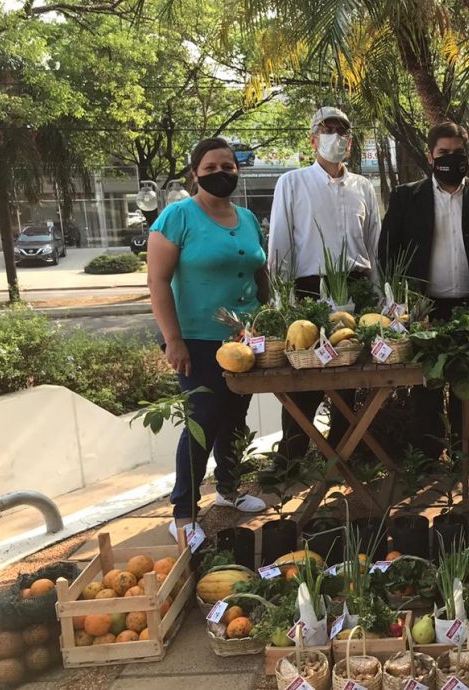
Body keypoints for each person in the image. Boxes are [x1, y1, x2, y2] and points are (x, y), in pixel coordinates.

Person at [147, 137, 269, 541]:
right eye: (211, 168)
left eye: (228, 167)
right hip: (196, 340)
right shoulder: (177, 216)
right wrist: (173, 340)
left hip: (244, 338)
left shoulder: (246, 218)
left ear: (238, 170)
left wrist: (270, 318)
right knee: (202, 420)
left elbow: (259, 272)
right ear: (195, 173)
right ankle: (183, 512)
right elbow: (158, 282)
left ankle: (229, 491)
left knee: (234, 416)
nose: (221, 174)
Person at [379, 121, 469, 457]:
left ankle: (462, 451)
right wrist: (399, 303)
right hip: (424, 309)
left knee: (465, 384)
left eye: (457, 152)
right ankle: (428, 455)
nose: (450, 158)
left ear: (466, 155)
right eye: (443, 152)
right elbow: (387, 252)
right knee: (425, 383)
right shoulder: (406, 197)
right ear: (431, 156)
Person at [268, 106, 382, 468]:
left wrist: (379, 295)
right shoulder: (292, 183)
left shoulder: (363, 187)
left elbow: (374, 244)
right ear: (313, 139)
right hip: (310, 289)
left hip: (356, 287)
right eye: (328, 130)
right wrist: (282, 299)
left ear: (350, 142)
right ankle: (291, 460)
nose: (336, 137)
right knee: (304, 375)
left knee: (349, 374)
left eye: (342, 131)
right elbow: (280, 243)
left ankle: (342, 455)